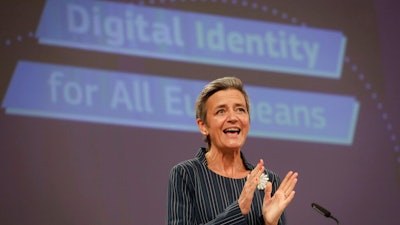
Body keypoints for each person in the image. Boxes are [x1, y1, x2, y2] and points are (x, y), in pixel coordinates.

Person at [167, 77, 298, 225]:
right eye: (221, 111)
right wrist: (239, 209)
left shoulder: (269, 180)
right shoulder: (186, 174)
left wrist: (270, 223)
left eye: (240, 110)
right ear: (203, 126)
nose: (233, 118)